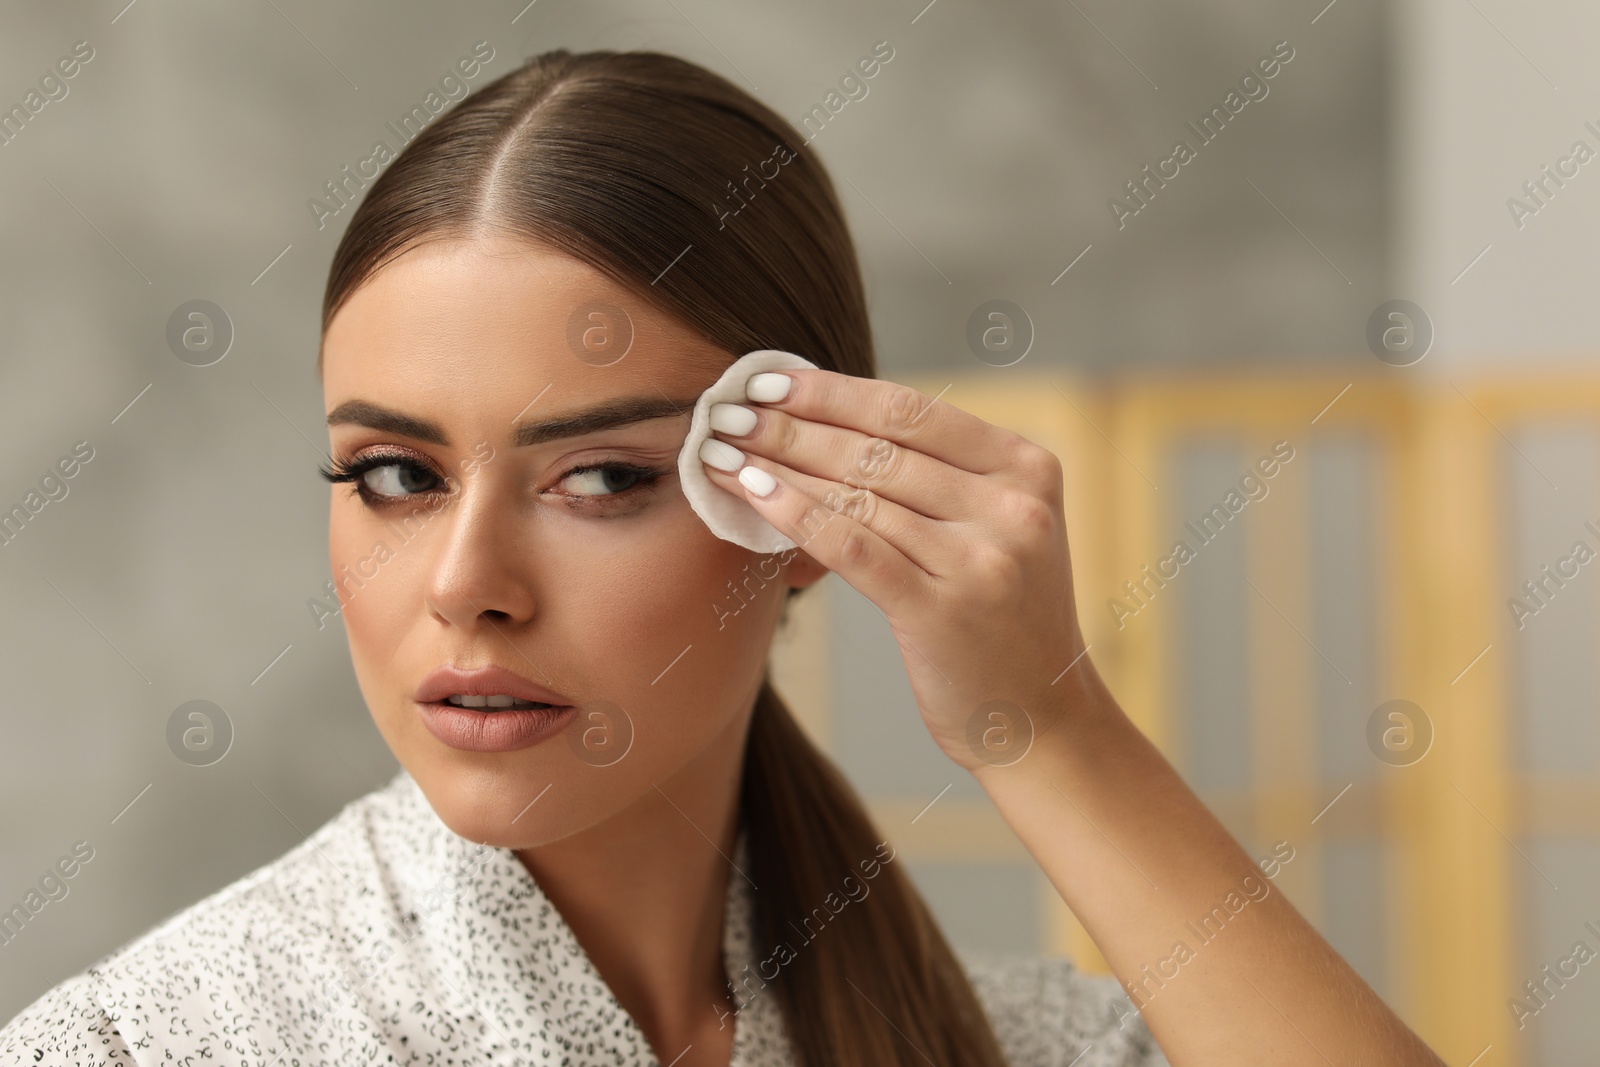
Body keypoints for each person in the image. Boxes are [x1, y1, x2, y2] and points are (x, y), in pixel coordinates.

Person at [0, 48, 1443, 1066]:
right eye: (395, 475)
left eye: (604, 478)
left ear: (797, 510)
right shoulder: (143, 1047)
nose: (463, 583)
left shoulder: (1021, 1045)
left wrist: (1050, 726)